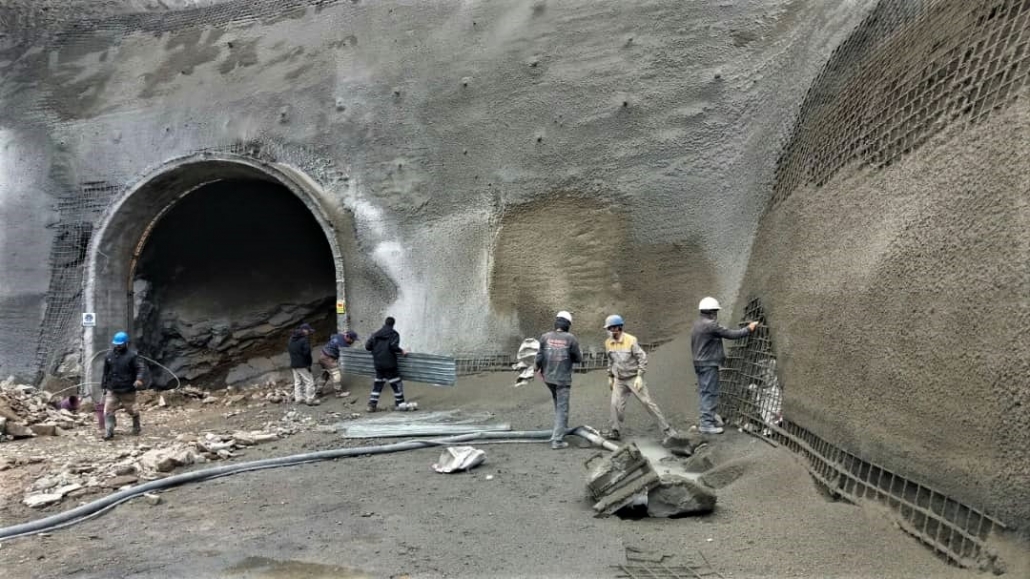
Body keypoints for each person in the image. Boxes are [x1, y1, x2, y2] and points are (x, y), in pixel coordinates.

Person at [602, 315, 677, 442]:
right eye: (608, 329)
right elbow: (610, 360)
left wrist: (639, 376)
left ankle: (667, 430)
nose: (608, 331)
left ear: (617, 328)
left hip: (633, 378)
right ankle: (615, 431)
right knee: (614, 404)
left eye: (609, 328)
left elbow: (642, 358)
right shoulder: (608, 343)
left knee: (647, 402)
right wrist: (610, 376)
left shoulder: (631, 340)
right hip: (619, 379)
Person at [691, 297, 758, 434]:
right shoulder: (711, 325)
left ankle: (707, 419)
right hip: (708, 363)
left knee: (705, 392)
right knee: (710, 392)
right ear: (712, 312)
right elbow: (731, 334)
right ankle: (706, 424)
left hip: (700, 363)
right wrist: (748, 329)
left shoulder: (698, 323)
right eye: (715, 311)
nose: (716, 314)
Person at [535, 310, 582, 450]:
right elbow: (578, 359)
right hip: (562, 379)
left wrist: (537, 369)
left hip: (548, 378)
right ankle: (557, 440)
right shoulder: (570, 338)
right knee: (562, 409)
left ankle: (561, 429)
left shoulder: (545, 337)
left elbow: (539, 357)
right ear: (568, 324)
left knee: (558, 403)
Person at [100, 331, 146, 440]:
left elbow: (140, 368)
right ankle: (109, 432)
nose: (118, 346)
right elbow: (105, 372)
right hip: (113, 388)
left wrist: (139, 379)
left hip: (127, 389)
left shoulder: (132, 356)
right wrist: (104, 385)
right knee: (108, 411)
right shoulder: (109, 356)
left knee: (131, 410)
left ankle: (136, 425)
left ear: (126, 343)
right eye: (116, 344)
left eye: (120, 344)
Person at [364, 317, 407, 412]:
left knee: (378, 384)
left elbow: (367, 347)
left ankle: (371, 405)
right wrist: (402, 350)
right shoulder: (394, 334)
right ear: (393, 324)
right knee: (396, 383)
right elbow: (393, 346)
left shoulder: (375, 334)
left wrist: (376, 349)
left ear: (385, 323)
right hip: (390, 364)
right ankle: (400, 404)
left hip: (378, 364)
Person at [288, 323, 319, 406]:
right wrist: (308, 364)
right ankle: (310, 399)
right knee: (309, 381)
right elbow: (307, 353)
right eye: (308, 331)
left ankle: (299, 398)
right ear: (304, 330)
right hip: (302, 364)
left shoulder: (291, 338)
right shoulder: (304, 340)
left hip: (294, 364)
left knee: (297, 381)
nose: (309, 333)